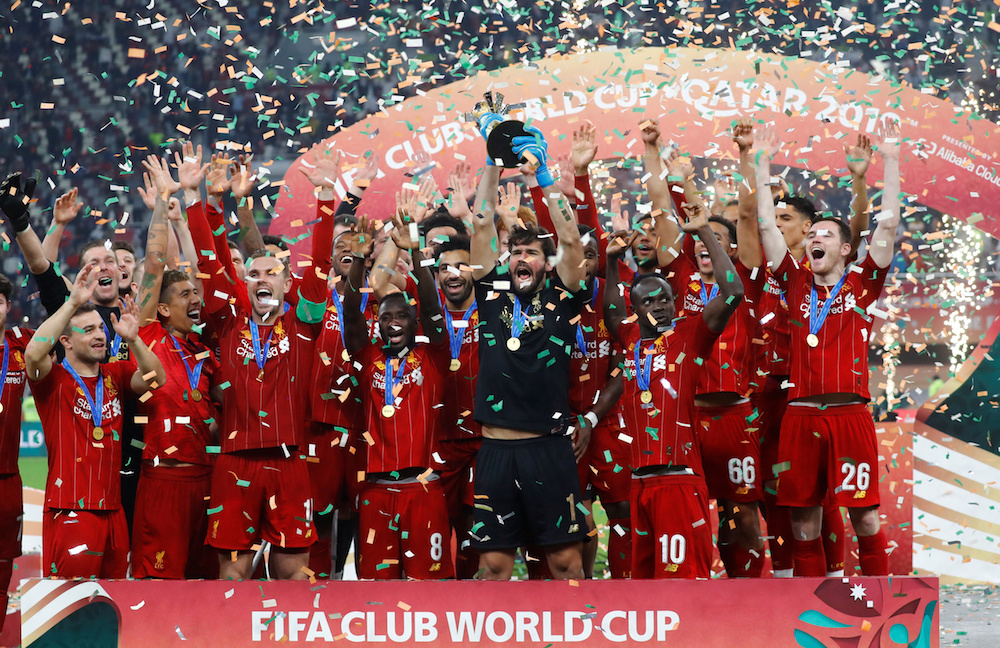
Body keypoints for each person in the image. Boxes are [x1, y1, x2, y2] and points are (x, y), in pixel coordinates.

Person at [754, 120, 901, 577]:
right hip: (800, 417)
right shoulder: (795, 282)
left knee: (866, 518)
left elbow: (889, 222)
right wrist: (761, 165)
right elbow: (766, 226)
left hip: (849, 416)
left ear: (846, 249)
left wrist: (891, 160)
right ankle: (809, 609)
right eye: (811, 234)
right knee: (802, 523)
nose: (815, 238)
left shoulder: (863, 285)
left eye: (826, 235)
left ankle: (880, 606)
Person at [190, 143, 338, 580]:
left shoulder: (303, 322)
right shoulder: (227, 322)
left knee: (293, 574)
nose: (261, 279)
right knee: (232, 574)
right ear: (245, 283)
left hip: (289, 462)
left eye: (271, 272)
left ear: (287, 283)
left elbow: (322, 262)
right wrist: (206, 201)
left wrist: (326, 195)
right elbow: (210, 262)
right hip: (234, 462)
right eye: (253, 273)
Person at [468, 114, 590, 581]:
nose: (523, 258)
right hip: (496, 451)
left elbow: (571, 237)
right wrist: (493, 162)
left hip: (549, 449)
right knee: (493, 566)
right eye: (516, 252)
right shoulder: (491, 291)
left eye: (532, 252)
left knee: (565, 563)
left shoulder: (564, 293)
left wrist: (542, 179)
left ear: (546, 262)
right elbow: (481, 223)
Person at [604, 201, 744, 579]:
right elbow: (611, 313)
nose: (660, 307)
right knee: (645, 587)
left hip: (679, 480)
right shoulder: (630, 338)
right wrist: (612, 261)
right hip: (640, 482)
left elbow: (733, 292)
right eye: (649, 301)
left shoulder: (690, 335)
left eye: (665, 299)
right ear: (636, 309)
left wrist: (703, 232)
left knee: (682, 584)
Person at [1, 172, 145, 534]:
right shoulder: (74, 311)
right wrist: (36, 224)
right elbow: (42, 267)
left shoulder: (141, 311)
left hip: (145, 450)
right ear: (81, 278)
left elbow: (159, 264)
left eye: (110, 260)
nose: (105, 267)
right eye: (94, 263)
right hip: (90, 457)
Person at [24, 264, 164, 579]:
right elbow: (33, 354)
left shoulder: (117, 374)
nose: (100, 335)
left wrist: (135, 340)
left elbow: (157, 379)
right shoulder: (51, 380)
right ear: (66, 341)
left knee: (113, 598)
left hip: (114, 512)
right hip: (70, 509)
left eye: (100, 328)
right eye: (87, 331)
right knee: (73, 600)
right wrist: (72, 302)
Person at [342, 213, 455, 580]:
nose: (392, 322)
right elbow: (351, 314)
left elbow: (432, 307)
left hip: (423, 489)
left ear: (414, 323)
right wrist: (360, 259)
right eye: (385, 317)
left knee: (430, 585)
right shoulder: (367, 358)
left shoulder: (433, 357)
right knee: (377, 589)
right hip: (376, 492)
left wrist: (417, 251)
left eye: (401, 317)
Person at [129, 160, 220, 579]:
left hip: (209, 479)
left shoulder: (207, 350)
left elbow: (206, 275)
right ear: (163, 309)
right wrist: (164, 203)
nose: (195, 299)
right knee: (161, 585)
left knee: (205, 585)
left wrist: (190, 212)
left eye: (194, 293)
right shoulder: (150, 334)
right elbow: (153, 263)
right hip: (164, 480)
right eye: (185, 295)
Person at [429, 235, 483, 578]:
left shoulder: (493, 310)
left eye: (462, 265)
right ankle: (442, 595)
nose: (453, 273)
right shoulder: (426, 315)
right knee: (438, 521)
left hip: (484, 438)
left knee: (476, 523)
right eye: (444, 268)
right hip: (440, 439)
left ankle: (474, 593)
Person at [0, 274, 32, 633]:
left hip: (8, 478)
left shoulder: (21, 344)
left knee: (3, 565)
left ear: (9, 306)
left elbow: (59, 332)